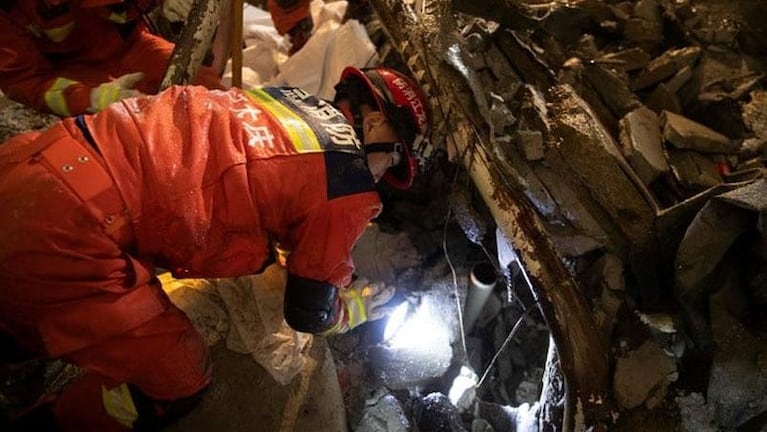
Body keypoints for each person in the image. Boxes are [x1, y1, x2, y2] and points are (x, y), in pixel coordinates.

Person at [0, 65, 431, 431]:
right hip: (73, 235)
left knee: (16, 311)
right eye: (393, 158)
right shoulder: (349, 181)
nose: (383, 172)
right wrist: (350, 309)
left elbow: (231, 176)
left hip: (34, 163)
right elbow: (307, 311)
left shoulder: (282, 102)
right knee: (180, 382)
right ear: (374, 124)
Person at [0, 0, 225, 117]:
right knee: (126, 124)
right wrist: (92, 99)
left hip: (131, 45)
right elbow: (23, 80)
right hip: (67, 70)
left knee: (208, 90)